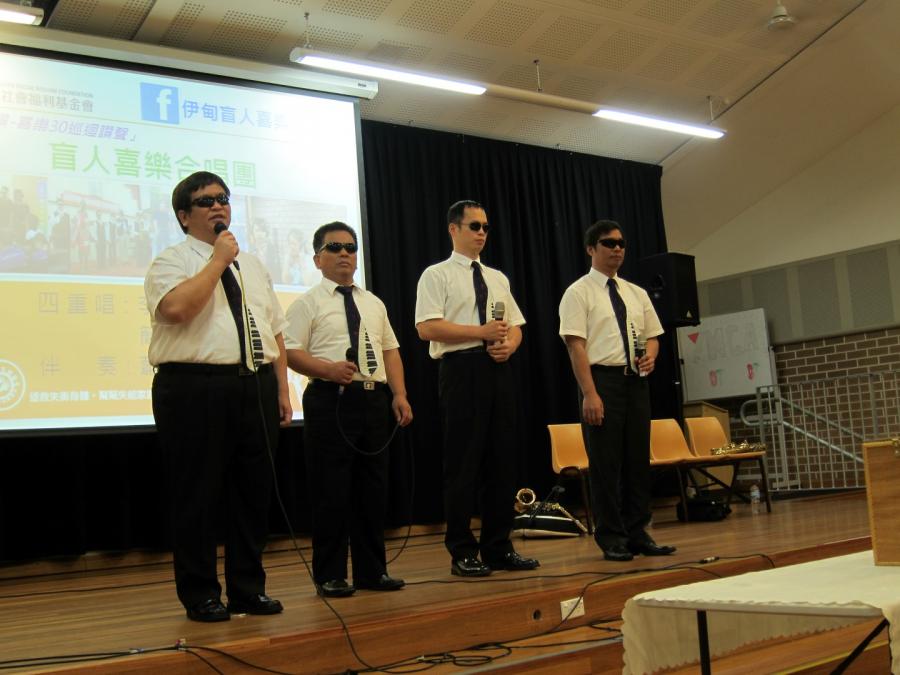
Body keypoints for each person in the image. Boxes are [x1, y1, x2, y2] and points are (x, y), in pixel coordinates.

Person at [144, 171, 292, 622]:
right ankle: (201, 593)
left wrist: (282, 389)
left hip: (255, 385)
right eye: (205, 200)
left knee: (253, 493)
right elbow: (176, 309)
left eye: (223, 198)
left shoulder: (254, 266)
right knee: (198, 495)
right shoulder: (171, 261)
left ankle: (248, 589)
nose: (218, 206)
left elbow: (275, 330)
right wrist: (217, 262)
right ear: (183, 216)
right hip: (194, 388)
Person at [285, 221, 413, 598]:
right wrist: (327, 369)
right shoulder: (307, 303)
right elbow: (289, 351)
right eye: (335, 247)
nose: (344, 253)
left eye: (351, 247)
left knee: (373, 489)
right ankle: (330, 574)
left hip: (373, 399)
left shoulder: (373, 302)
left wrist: (399, 394)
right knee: (331, 489)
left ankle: (373, 571)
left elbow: (390, 350)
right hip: (331, 399)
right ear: (317, 259)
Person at [415, 200, 539, 577]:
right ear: (453, 229)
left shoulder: (497, 277)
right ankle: (462, 550)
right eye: (474, 226)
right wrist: (479, 333)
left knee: (502, 461)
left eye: (485, 226)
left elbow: (515, 325)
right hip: (461, 369)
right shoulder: (436, 275)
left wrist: (509, 345)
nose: (482, 233)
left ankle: (498, 547)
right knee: (463, 463)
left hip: (498, 368)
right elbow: (427, 327)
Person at [558, 220, 676, 562]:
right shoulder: (578, 292)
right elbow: (575, 346)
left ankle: (638, 531)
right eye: (609, 243)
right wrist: (590, 393)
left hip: (635, 381)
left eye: (621, 243)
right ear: (591, 249)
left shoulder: (636, 292)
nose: (617, 249)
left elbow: (653, 336)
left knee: (637, 459)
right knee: (605, 464)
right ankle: (611, 535)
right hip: (602, 379)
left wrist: (650, 356)